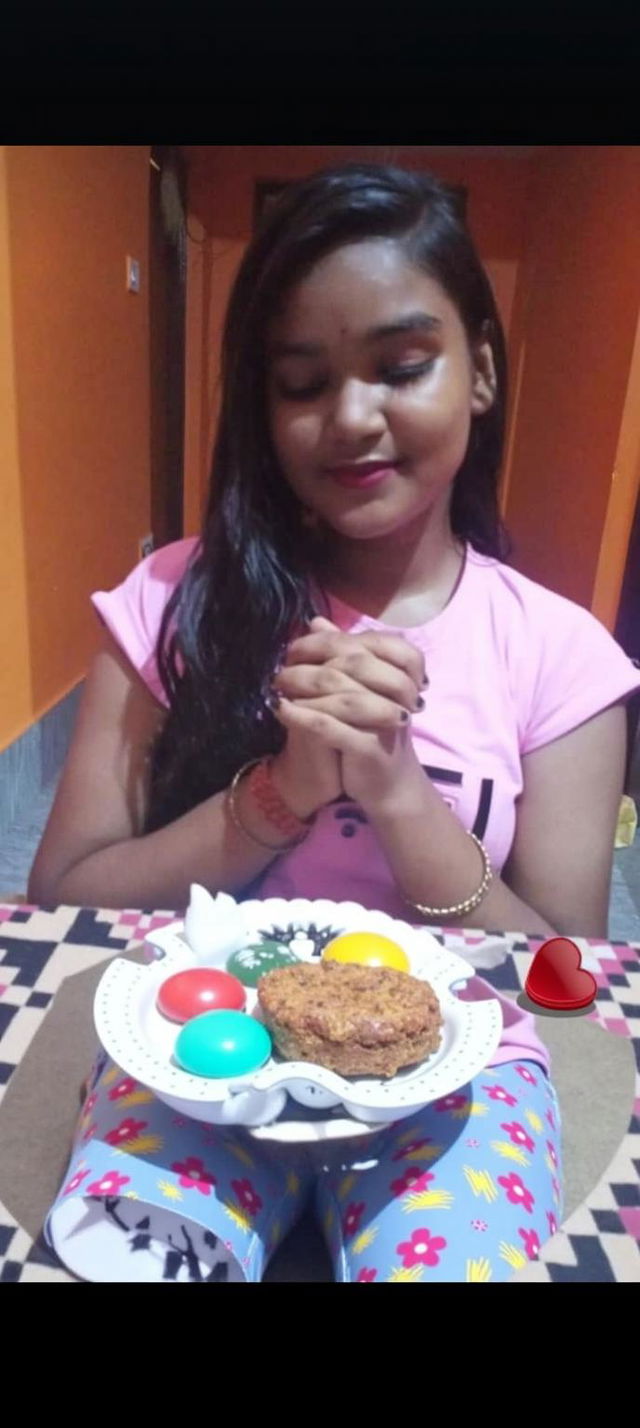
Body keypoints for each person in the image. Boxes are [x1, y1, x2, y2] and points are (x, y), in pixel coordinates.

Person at [33, 164, 640, 1283]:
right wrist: (280, 794)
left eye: (402, 366)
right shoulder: (171, 604)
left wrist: (399, 794)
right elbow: (66, 896)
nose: (352, 417)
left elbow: (561, 976)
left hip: (459, 1079)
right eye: (301, 382)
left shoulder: (560, 658)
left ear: (481, 374)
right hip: (189, 1056)